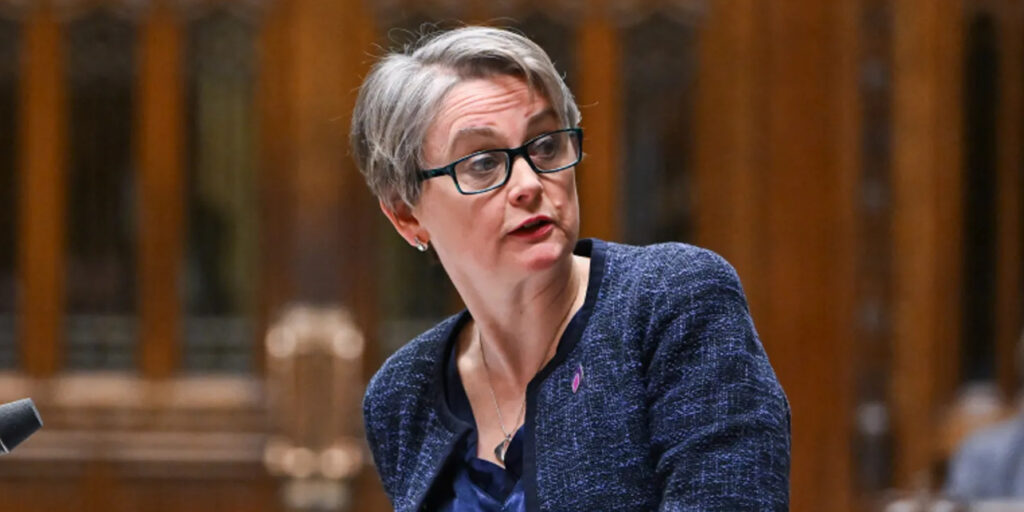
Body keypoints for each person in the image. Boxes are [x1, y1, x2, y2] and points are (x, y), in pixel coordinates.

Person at [351, 26, 790, 511]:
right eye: (483, 163)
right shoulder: (402, 394)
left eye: (544, 146)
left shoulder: (672, 302)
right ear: (406, 215)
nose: (528, 183)